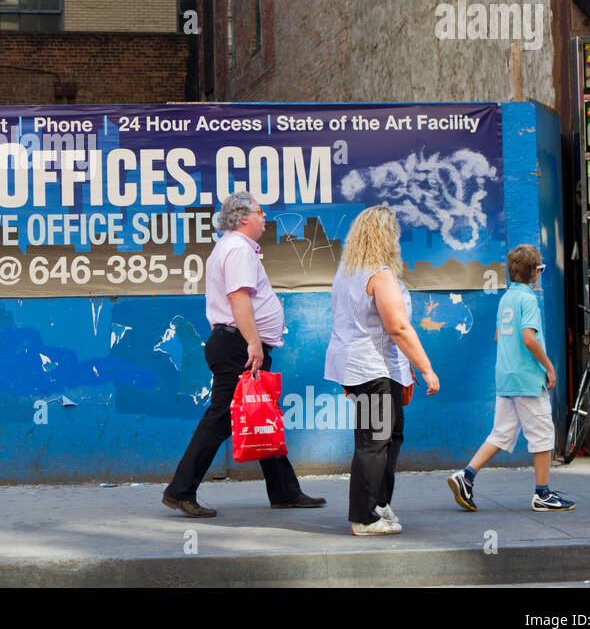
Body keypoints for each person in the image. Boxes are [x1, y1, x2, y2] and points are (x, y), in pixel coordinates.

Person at [163, 191, 327, 517]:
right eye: (260, 212)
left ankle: (284, 491)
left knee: (262, 412)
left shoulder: (232, 248)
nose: (265, 217)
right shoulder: (237, 249)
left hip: (238, 343)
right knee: (221, 417)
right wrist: (253, 343)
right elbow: (239, 299)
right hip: (238, 345)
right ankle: (180, 490)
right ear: (242, 218)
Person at [324, 205, 440, 536]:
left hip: (368, 369)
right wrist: (426, 368)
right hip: (372, 369)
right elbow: (398, 327)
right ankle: (364, 517)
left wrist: (406, 368)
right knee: (375, 442)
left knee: (388, 437)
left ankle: (378, 503)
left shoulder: (346, 273)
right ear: (386, 236)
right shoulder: (379, 274)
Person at [447, 245, 574, 512]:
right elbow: (529, 338)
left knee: (501, 433)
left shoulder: (506, 299)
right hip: (527, 379)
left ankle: (466, 476)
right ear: (536, 273)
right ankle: (542, 494)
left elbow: (498, 336)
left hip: (505, 377)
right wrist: (549, 367)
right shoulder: (528, 300)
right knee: (542, 435)